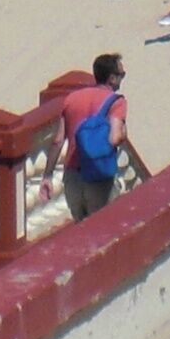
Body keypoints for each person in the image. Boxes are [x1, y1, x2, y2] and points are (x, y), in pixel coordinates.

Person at [58, 53, 140, 221]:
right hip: (98, 175)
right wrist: (123, 133)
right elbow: (115, 138)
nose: (122, 78)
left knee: (81, 231)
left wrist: (46, 176)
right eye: (121, 75)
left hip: (73, 175)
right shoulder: (117, 102)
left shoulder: (72, 98)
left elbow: (58, 140)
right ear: (112, 78)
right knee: (105, 228)